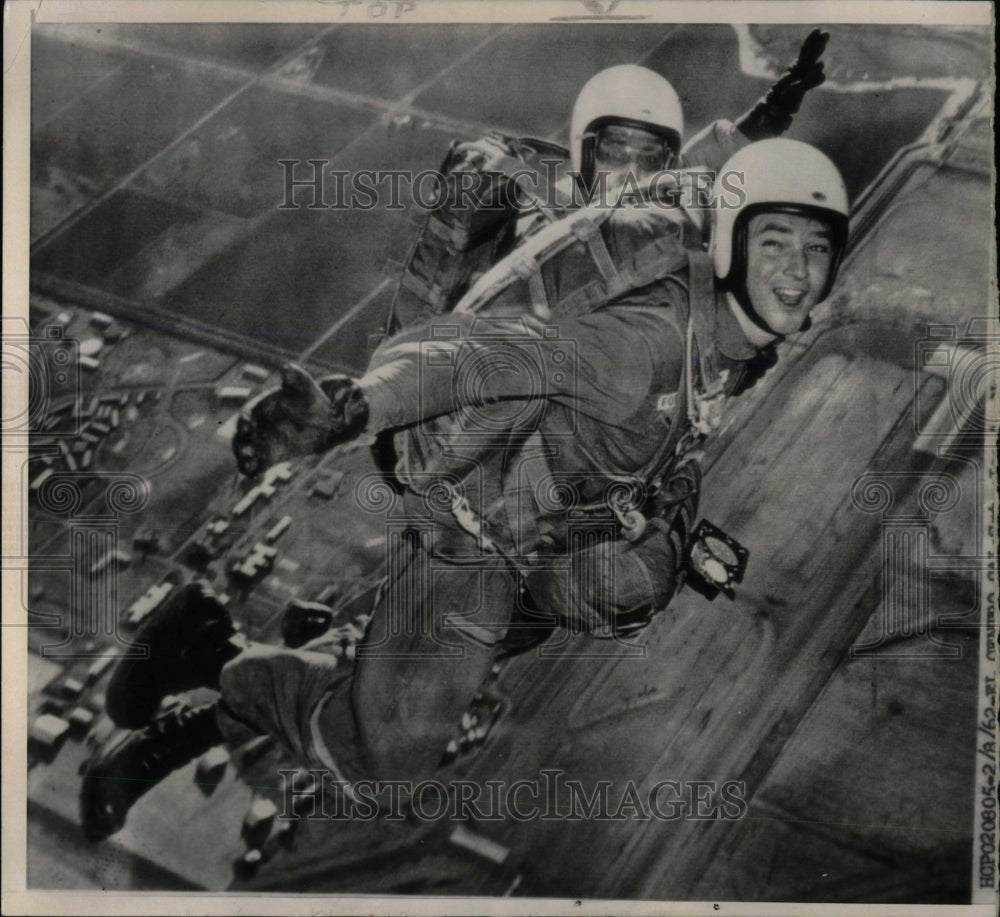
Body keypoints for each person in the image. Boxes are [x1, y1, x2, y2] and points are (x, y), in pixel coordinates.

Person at [79, 139, 849, 841]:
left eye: (817, 248)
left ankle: (269, 665)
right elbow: (484, 356)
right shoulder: (640, 350)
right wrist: (353, 408)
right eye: (774, 242)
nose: (796, 268)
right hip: (480, 525)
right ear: (730, 246)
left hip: (552, 524)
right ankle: (210, 653)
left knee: (615, 588)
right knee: (385, 761)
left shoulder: (738, 341)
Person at [388, 29, 830, 332]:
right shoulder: (547, 221)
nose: (631, 170)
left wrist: (768, 115)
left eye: (649, 156)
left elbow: (685, 173)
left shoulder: (636, 212)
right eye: (615, 152)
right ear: (585, 155)